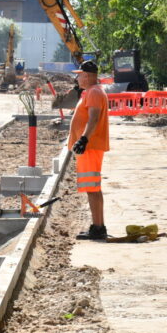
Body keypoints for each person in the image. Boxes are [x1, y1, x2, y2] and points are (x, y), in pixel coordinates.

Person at [69, 60, 110, 240]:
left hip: (90, 147)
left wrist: (84, 139)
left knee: (92, 188)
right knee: (93, 187)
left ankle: (98, 228)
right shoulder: (92, 92)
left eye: (79, 75)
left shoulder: (93, 92)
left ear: (86, 76)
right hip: (90, 147)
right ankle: (98, 226)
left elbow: (93, 118)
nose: (77, 78)